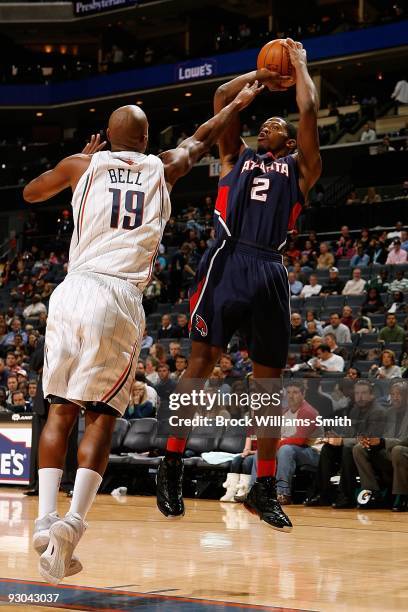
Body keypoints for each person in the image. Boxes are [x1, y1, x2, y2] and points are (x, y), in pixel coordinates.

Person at [23, 85, 261, 584]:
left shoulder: (82, 165)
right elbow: (201, 139)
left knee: (60, 411)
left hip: (71, 292)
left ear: (106, 139)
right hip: (118, 297)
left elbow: (31, 193)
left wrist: (78, 161)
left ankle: (45, 519)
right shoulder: (161, 167)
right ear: (147, 138)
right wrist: (237, 106)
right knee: (102, 417)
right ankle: (72, 524)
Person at [156, 38, 321, 532]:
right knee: (201, 364)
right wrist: (258, 79)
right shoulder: (236, 157)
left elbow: (308, 106)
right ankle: (171, 463)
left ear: (290, 141)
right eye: (265, 122)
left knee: (268, 385)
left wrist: (301, 67)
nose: (269, 123)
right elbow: (219, 100)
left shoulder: (301, 168)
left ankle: (265, 487)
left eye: (278, 124)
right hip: (225, 262)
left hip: (268, 268)